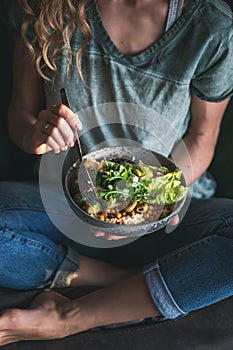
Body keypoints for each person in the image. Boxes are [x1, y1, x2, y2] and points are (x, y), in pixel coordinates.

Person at [0, 0, 233, 345]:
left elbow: (202, 136)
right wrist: (36, 133)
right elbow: (21, 113)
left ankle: (69, 318)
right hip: (61, 205)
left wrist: (146, 205)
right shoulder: (42, 7)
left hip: (167, 218)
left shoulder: (212, 25)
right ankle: (122, 282)